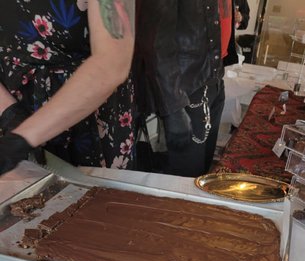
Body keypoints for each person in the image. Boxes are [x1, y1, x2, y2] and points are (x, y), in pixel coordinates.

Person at [0, 0, 135, 175]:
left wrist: (21, 139)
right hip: (11, 103)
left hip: (89, 108)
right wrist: (9, 112)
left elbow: (111, 64)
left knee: (96, 196)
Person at [133, 0, 238, 177]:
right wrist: (173, 106)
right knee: (184, 179)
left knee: (202, 173)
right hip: (184, 88)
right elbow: (154, 41)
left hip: (213, 79)